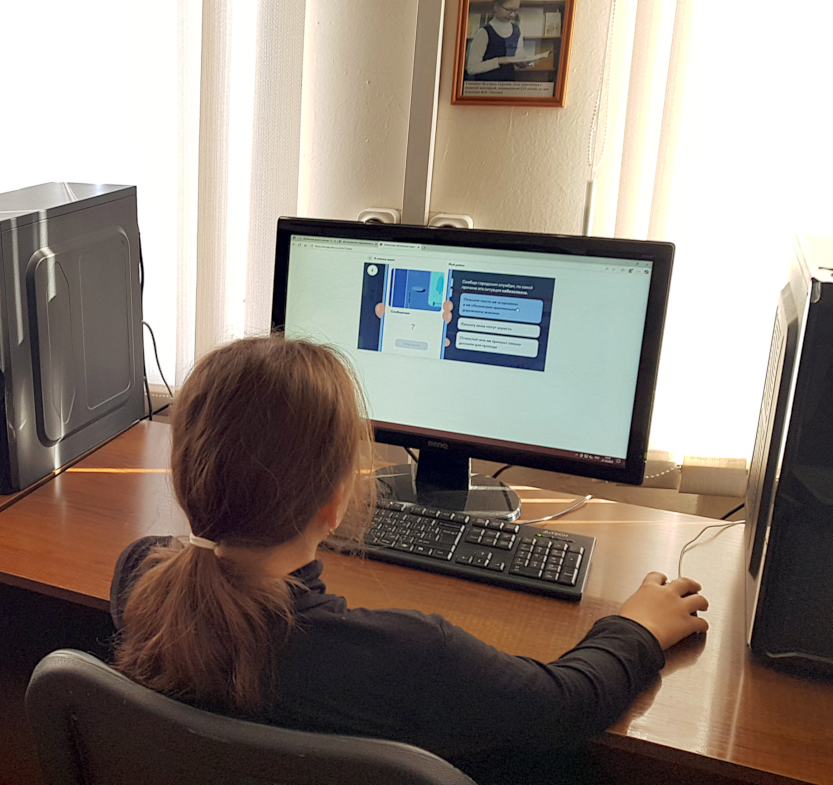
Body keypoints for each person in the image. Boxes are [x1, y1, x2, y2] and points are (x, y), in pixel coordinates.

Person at [110, 336, 709, 783]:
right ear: (334, 504)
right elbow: (565, 707)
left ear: (185, 478)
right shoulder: (411, 655)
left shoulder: (138, 575)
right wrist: (636, 627)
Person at [464, 0, 533, 82]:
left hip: (508, 82)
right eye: (508, 10)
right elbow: (471, 68)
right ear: (496, 7)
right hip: (486, 84)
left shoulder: (517, 30)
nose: (512, 14)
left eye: (516, 10)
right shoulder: (484, 32)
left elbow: (518, 56)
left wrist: (522, 63)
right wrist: (499, 61)